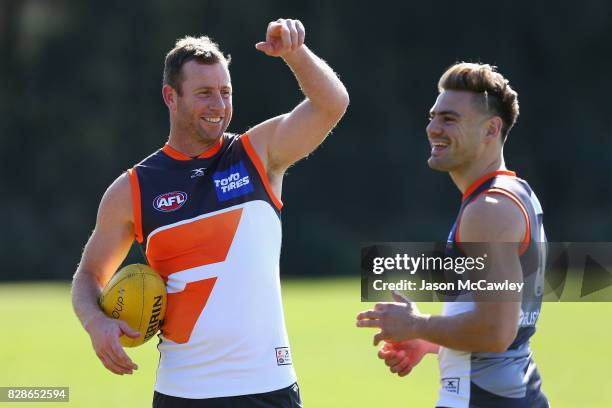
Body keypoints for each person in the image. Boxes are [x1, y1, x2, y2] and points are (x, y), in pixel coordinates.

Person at [71, 18, 349, 407]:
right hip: (183, 392)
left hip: (268, 388)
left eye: (225, 92)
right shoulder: (133, 188)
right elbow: (88, 276)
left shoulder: (258, 154)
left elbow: (332, 104)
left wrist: (295, 54)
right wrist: (96, 323)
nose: (218, 106)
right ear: (171, 96)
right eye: (204, 93)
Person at [356, 62, 549, 407]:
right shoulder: (509, 193)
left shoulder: (488, 210)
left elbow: (496, 332)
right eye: (432, 117)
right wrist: (433, 341)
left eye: (449, 119)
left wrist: (417, 324)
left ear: (491, 129)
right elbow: (503, 324)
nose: (432, 128)